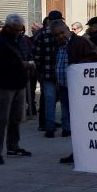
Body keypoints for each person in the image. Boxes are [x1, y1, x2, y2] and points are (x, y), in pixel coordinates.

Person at [49, 19, 97, 163]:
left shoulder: (81, 42)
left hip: (80, 90)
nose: (60, 36)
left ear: (68, 29)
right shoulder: (58, 46)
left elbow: (96, 60)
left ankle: (89, 152)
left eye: (62, 33)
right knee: (74, 123)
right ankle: (77, 151)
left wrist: (78, 68)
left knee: (83, 122)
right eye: (56, 35)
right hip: (65, 89)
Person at [0, 14, 34, 165]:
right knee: (1, 119)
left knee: (16, 118)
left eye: (21, 30)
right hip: (3, 85)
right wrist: (21, 64)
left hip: (19, 83)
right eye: (16, 29)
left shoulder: (20, 39)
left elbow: (26, 54)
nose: (18, 32)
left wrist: (30, 63)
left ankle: (13, 146)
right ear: (8, 27)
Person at [33, 10, 65, 138]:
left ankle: (49, 128)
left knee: (49, 101)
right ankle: (66, 128)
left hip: (46, 74)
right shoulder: (63, 33)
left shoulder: (40, 35)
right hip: (62, 73)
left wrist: (39, 71)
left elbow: (36, 55)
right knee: (64, 100)